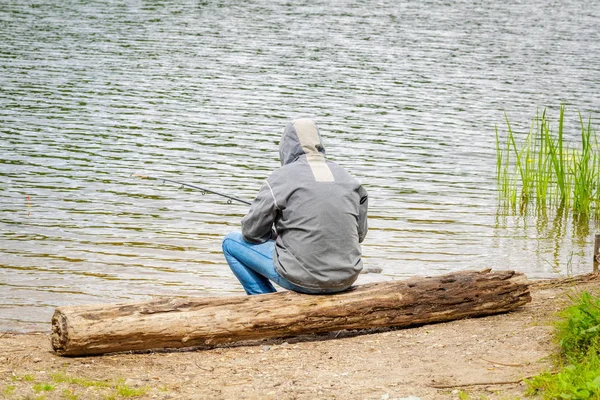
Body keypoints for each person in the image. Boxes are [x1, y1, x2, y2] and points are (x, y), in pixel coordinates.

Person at [222, 118, 368, 295]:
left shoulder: (280, 178)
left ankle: (264, 301)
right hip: (347, 277)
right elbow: (358, 235)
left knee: (230, 242)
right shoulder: (349, 179)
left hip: (303, 280)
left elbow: (251, 233)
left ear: (286, 146)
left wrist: (275, 236)